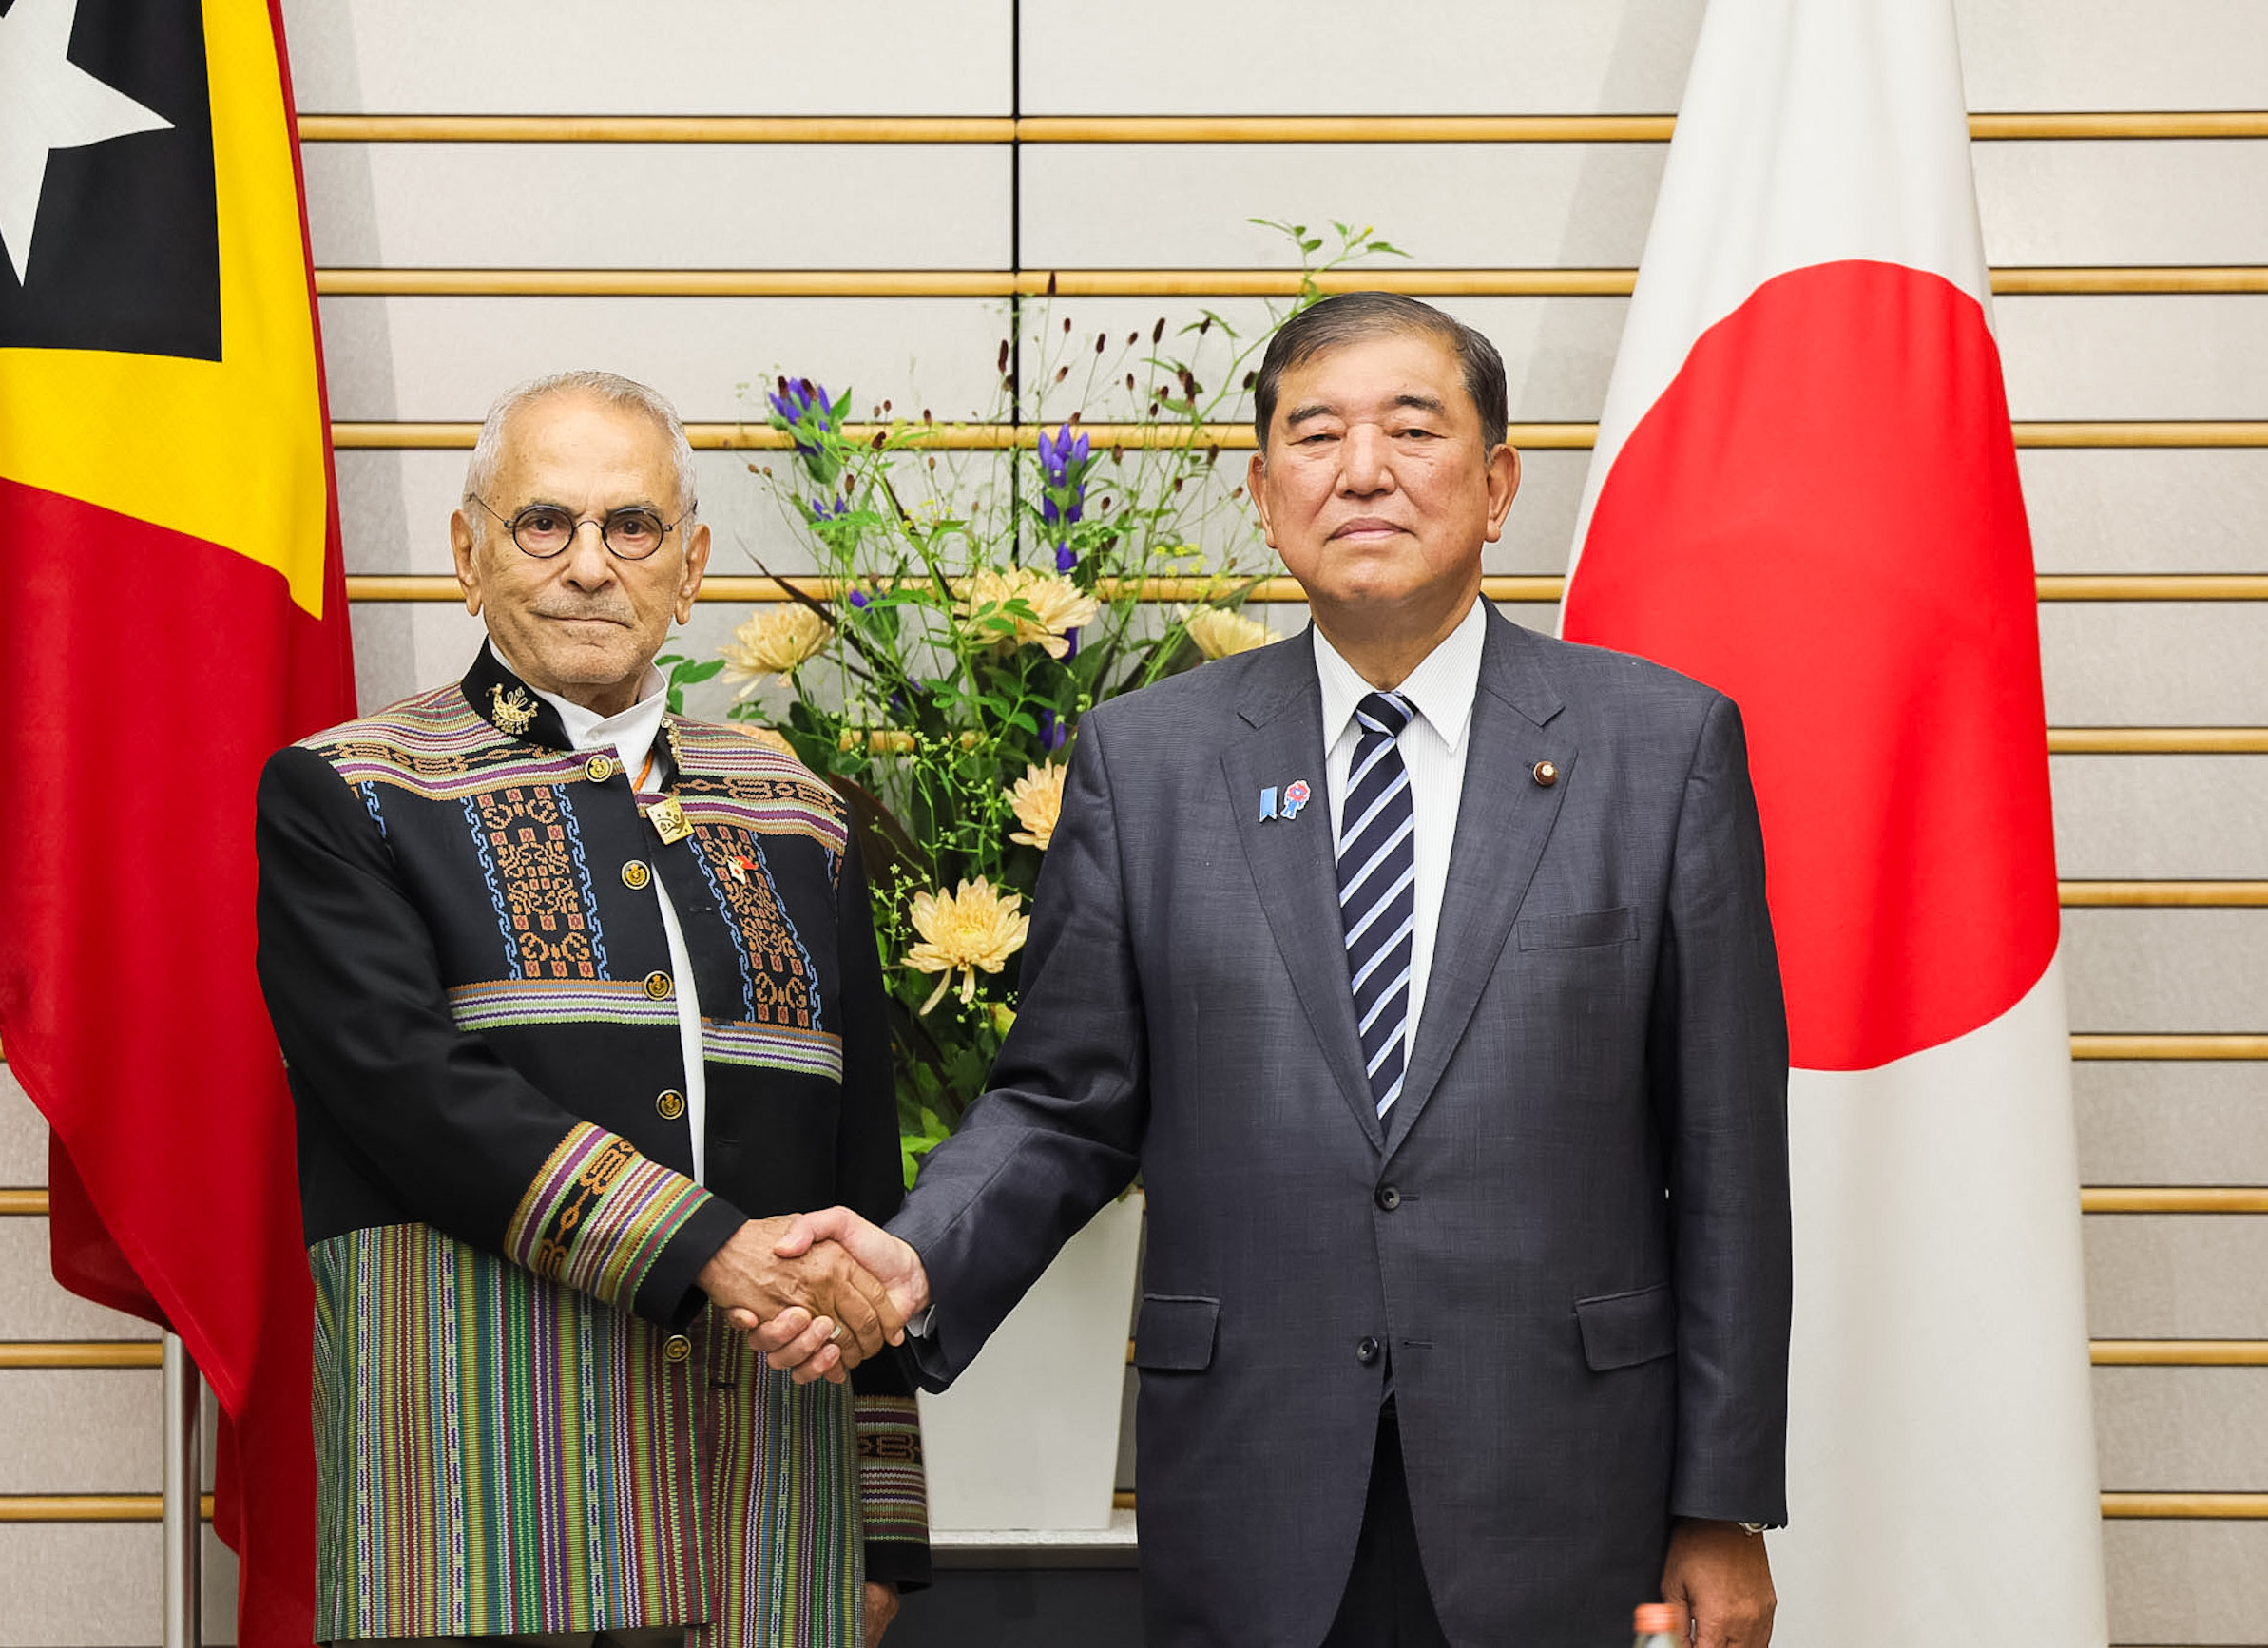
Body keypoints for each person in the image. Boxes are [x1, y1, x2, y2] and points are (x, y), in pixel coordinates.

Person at [753, 295, 1792, 1646]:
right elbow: (1065, 1102)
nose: (1364, 468)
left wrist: (1723, 1500)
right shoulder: (1150, 761)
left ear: (1498, 485)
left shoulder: (1661, 749)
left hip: (1569, 1487)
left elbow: (1726, 1159)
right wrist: (909, 1260)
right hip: (1255, 1479)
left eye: (1414, 428)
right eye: (1318, 433)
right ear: (1262, 490)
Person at [255, 370, 923, 1648]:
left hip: (767, 1512)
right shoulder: (353, 792)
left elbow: (860, 1172)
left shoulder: (799, 809)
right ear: (468, 552)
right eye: (543, 523)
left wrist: (882, 1521)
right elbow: (414, 1095)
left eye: (633, 526)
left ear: (692, 565)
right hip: (479, 1506)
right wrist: (709, 1246)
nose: (588, 566)